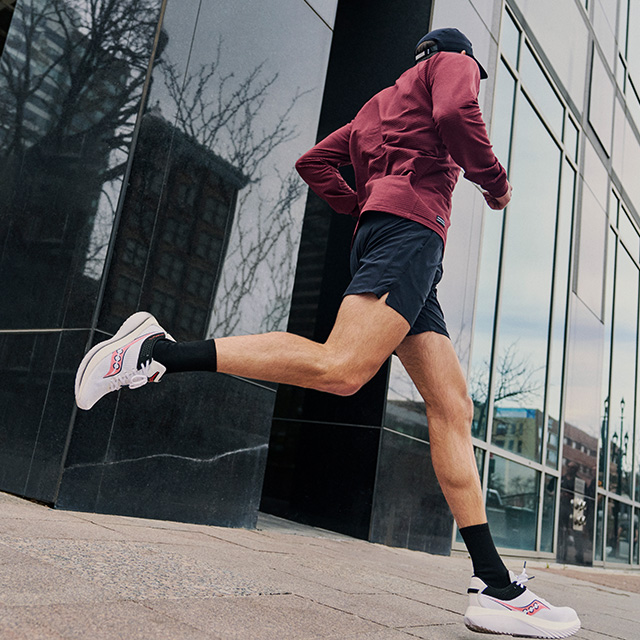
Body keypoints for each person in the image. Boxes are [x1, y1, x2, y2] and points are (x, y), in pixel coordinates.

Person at [75, 27, 580, 638]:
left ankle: (495, 586)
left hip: (397, 239)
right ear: (454, 57)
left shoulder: (377, 104)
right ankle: (153, 352)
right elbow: (454, 110)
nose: (466, 78)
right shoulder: (454, 64)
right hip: (410, 238)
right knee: (341, 369)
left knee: (452, 406)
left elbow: (313, 163)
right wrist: (494, 182)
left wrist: (365, 202)